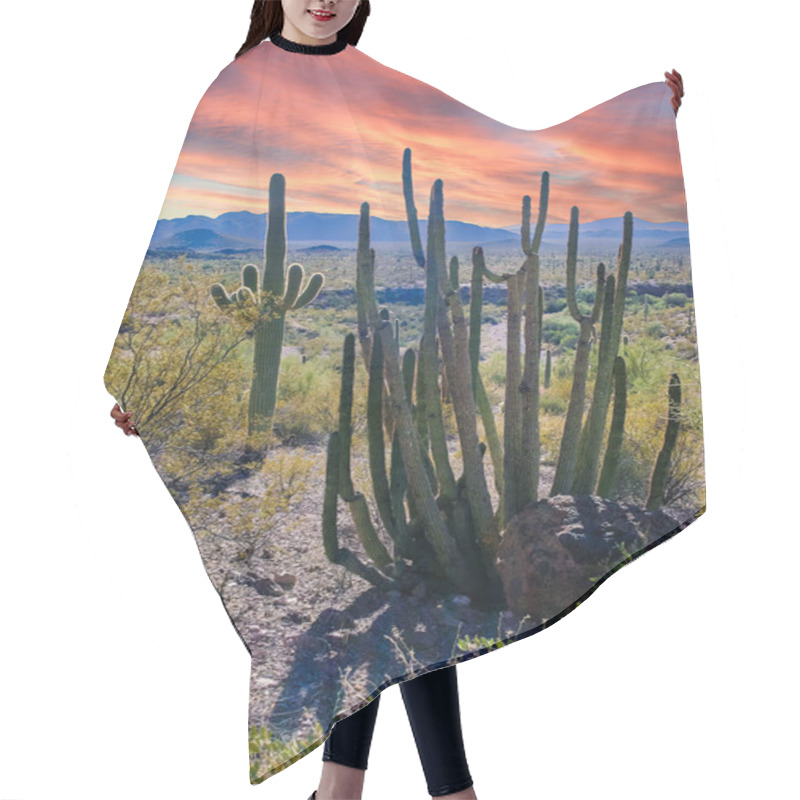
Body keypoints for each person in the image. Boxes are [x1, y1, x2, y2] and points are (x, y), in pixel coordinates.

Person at [110, 2, 685, 798]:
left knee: (407, 589)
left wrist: (642, 122)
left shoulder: (374, 82)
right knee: (384, 592)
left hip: (393, 367)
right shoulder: (237, 87)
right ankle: (429, 792)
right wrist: (152, 376)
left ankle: (348, 790)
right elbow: (180, 239)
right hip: (317, 396)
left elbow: (505, 152)